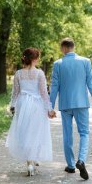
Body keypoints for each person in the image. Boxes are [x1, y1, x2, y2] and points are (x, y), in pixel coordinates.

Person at [50, 38, 92, 180]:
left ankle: (71, 166)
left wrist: (50, 106)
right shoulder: (85, 62)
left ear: (63, 48)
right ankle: (81, 160)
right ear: (73, 47)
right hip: (81, 104)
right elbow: (91, 84)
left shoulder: (58, 64)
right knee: (84, 133)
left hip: (65, 105)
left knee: (67, 135)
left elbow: (54, 86)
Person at [6, 48, 55, 176]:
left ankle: (30, 164)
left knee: (25, 131)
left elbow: (15, 93)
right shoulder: (39, 73)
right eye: (38, 57)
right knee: (35, 132)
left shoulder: (18, 73)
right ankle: (33, 160)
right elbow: (44, 93)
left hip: (23, 104)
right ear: (33, 59)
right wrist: (49, 109)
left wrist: (12, 106)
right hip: (36, 104)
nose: (39, 60)